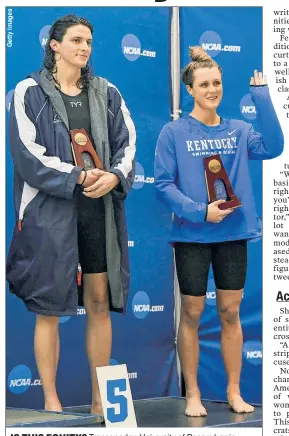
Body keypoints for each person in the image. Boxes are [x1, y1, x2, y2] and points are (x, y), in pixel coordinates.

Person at [6, 14, 136, 418]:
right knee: (49, 309)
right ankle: (51, 400)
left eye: (89, 42)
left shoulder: (107, 91)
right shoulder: (27, 91)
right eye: (76, 40)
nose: (85, 48)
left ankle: (101, 402)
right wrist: (79, 176)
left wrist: (114, 177)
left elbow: (127, 145)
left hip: (98, 211)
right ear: (55, 45)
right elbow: (28, 156)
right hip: (49, 214)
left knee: (98, 300)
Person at [154, 46, 283, 417]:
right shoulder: (173, 132)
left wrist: (261, 96)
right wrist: (199, 212)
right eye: (204, 84)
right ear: (190, 90)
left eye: (217, 83)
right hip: (193, 235)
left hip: (233, 234)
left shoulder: (240, 131)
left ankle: (233, 390)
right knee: (192, 313)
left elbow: (274, 147)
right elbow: (163, 185)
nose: (212, 89)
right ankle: (192, 392)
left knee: (230, 311)